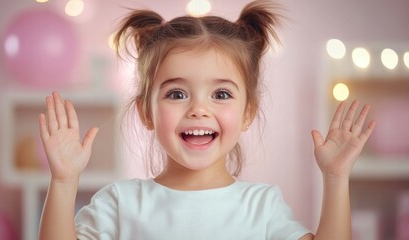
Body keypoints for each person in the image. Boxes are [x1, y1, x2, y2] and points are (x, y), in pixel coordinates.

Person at [38, 0, 376, 239]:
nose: (199, 109)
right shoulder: (120, 203)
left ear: (247, 113)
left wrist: (335, 176)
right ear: (146, 111)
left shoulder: (262, 206)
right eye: (177, 94)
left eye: (221, 94)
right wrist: (64, 182)